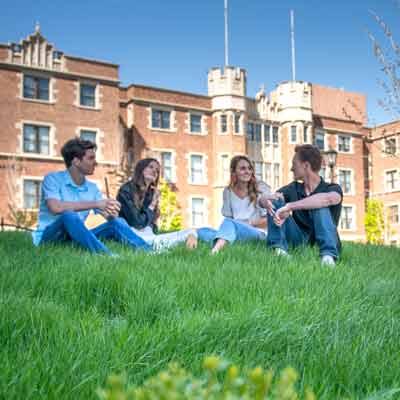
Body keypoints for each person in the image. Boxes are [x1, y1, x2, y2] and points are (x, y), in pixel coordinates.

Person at [32, 138, 151, 255]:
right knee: (69, 215)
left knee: (117, 222)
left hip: (77, 237)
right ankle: (105, 255)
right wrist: (96, 203)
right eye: (91, 158)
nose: (95, 162)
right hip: (50, 238)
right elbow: (55, 207)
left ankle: (148, 251)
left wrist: (111, 213)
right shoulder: (52, 179)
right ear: (76, 161)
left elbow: (105, 214)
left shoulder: (92, 188)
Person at [259, 144, 343, 267]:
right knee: (276, 200)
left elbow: (327, 199)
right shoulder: (293, 188)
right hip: (299, 240)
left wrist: (290, 206)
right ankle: (279, 250)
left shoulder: (332, 188)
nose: (291, 169)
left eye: (294, 164)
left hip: (327, 239)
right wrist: (265, 200)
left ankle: (328, 257)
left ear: (306, 166)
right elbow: (267, 199)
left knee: (319, 205)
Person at [197, 155, 281, 254]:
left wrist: (249, 224)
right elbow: (230, 218)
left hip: (258, 233)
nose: (247, 171)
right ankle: (225, 240)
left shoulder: (261, 188)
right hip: (236, 231)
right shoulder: (227, 192)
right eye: (242, 168)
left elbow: (269, 220)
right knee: (202, 231)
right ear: (234, 172)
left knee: (228, 223)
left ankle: (215, 252)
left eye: (250, 168)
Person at [117, 158, 198, 251]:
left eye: (157, 170)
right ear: (141, 169)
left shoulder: (151, 193)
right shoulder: (126, 190)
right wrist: (153, 204)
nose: (154, 171)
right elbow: (137, 223)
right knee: (162, 244)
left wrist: (151, 225)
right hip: (132, 233)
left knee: (191, 231)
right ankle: (157, 249)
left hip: (147, 233)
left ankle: (189, 254)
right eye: (151, 167)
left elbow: (152, 224)